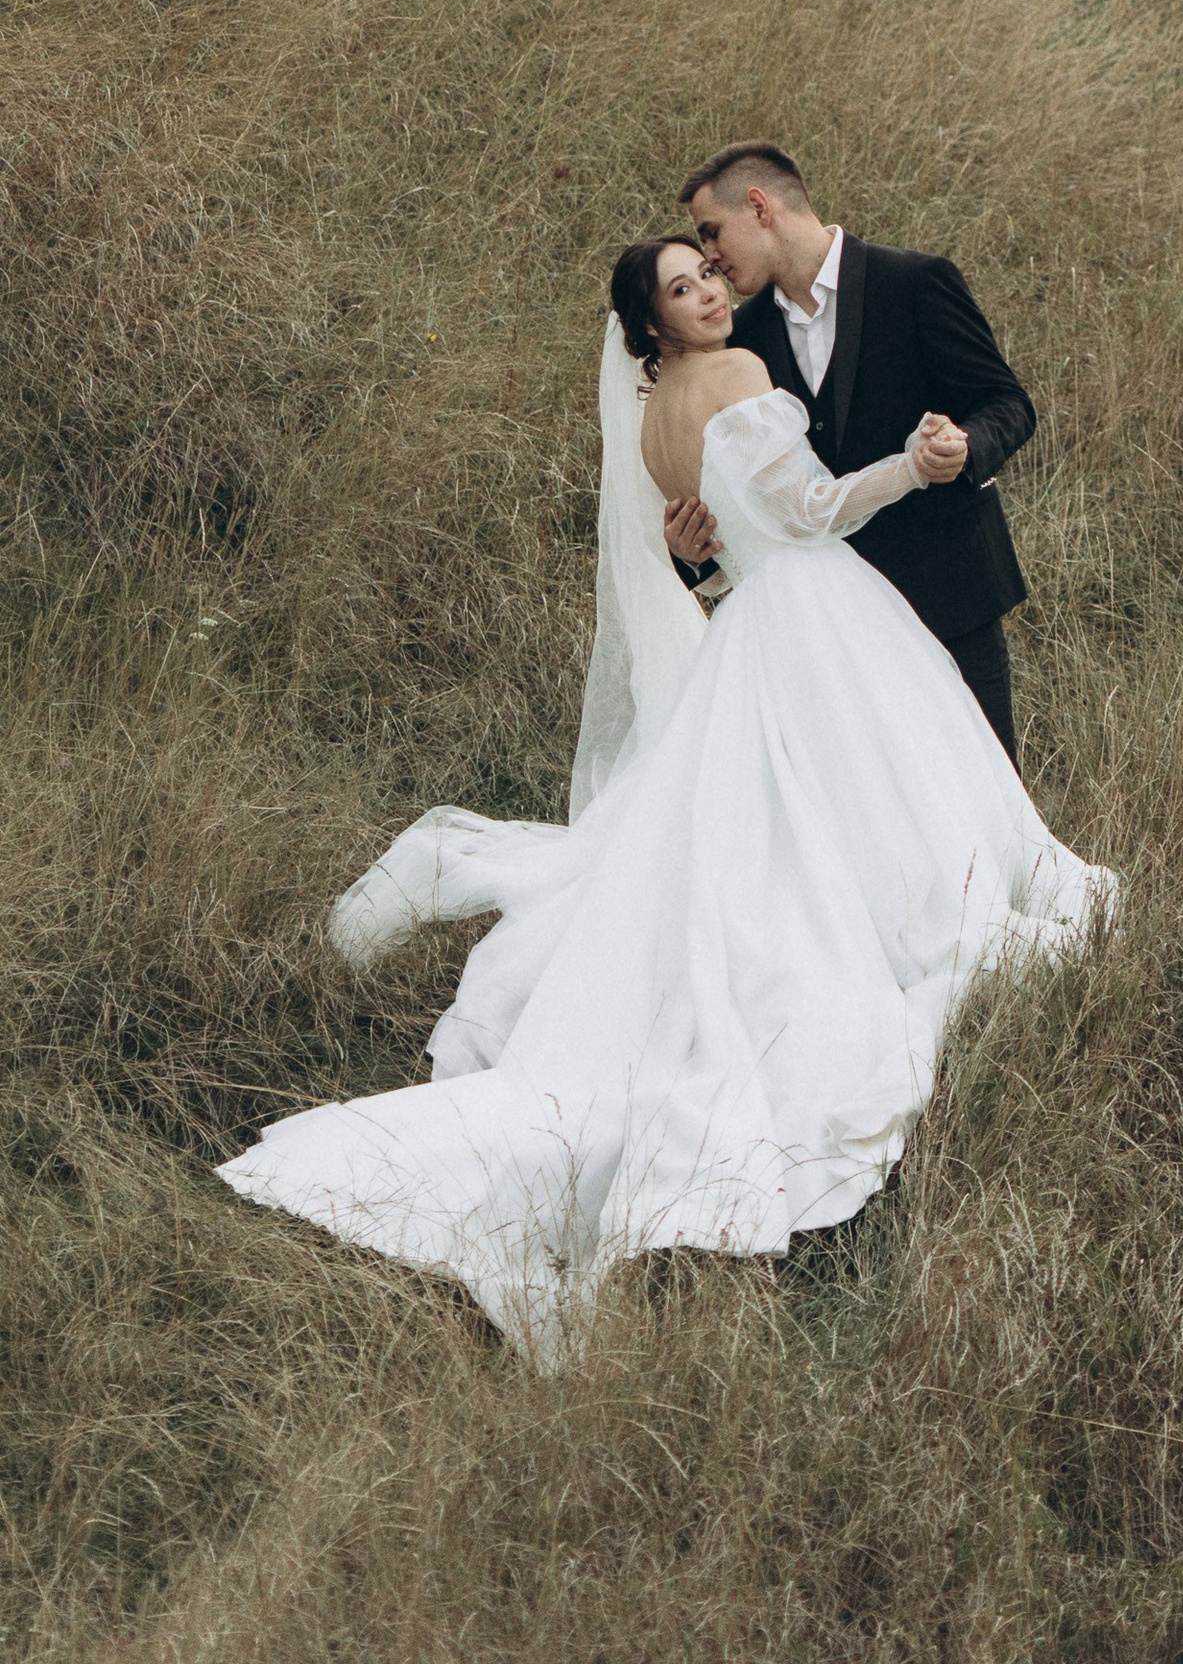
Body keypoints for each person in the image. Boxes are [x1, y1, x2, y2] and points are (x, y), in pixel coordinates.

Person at [218, 236, 1114, 1359]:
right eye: (686, 290)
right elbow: (814, 510)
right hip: (812, 611)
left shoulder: (648, 425)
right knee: (866, 801)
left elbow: (711, 542)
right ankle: (892, 941)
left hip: (742, 623)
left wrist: (715, 558)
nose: (712, 296)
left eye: (709, 277)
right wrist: (913, 466)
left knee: (774, 815)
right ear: (654, 327)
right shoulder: (742, 376)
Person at [675, 143, 1036, 762]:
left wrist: (965, 446)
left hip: (947, 589)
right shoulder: (744, 340)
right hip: (834, 630)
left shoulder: (917, 281)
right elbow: (747, 496)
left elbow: (1008, 402)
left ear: (759, 206)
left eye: (713, 233)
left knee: (987, 800)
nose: (710, 257)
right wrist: (692, 558)